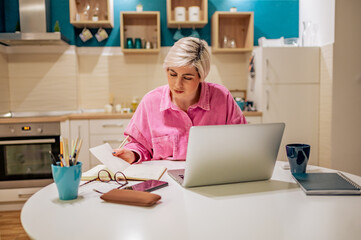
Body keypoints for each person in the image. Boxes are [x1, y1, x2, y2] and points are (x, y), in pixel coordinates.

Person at [113, 37, 247, 163]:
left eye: (187, 78)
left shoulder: (222, 98)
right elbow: (139, 145)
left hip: (213, 178)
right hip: (165, 181)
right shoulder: (151, 102)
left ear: (201, 77)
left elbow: (242, 140)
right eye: (172, 74)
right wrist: (132, 154)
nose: (177, 84)